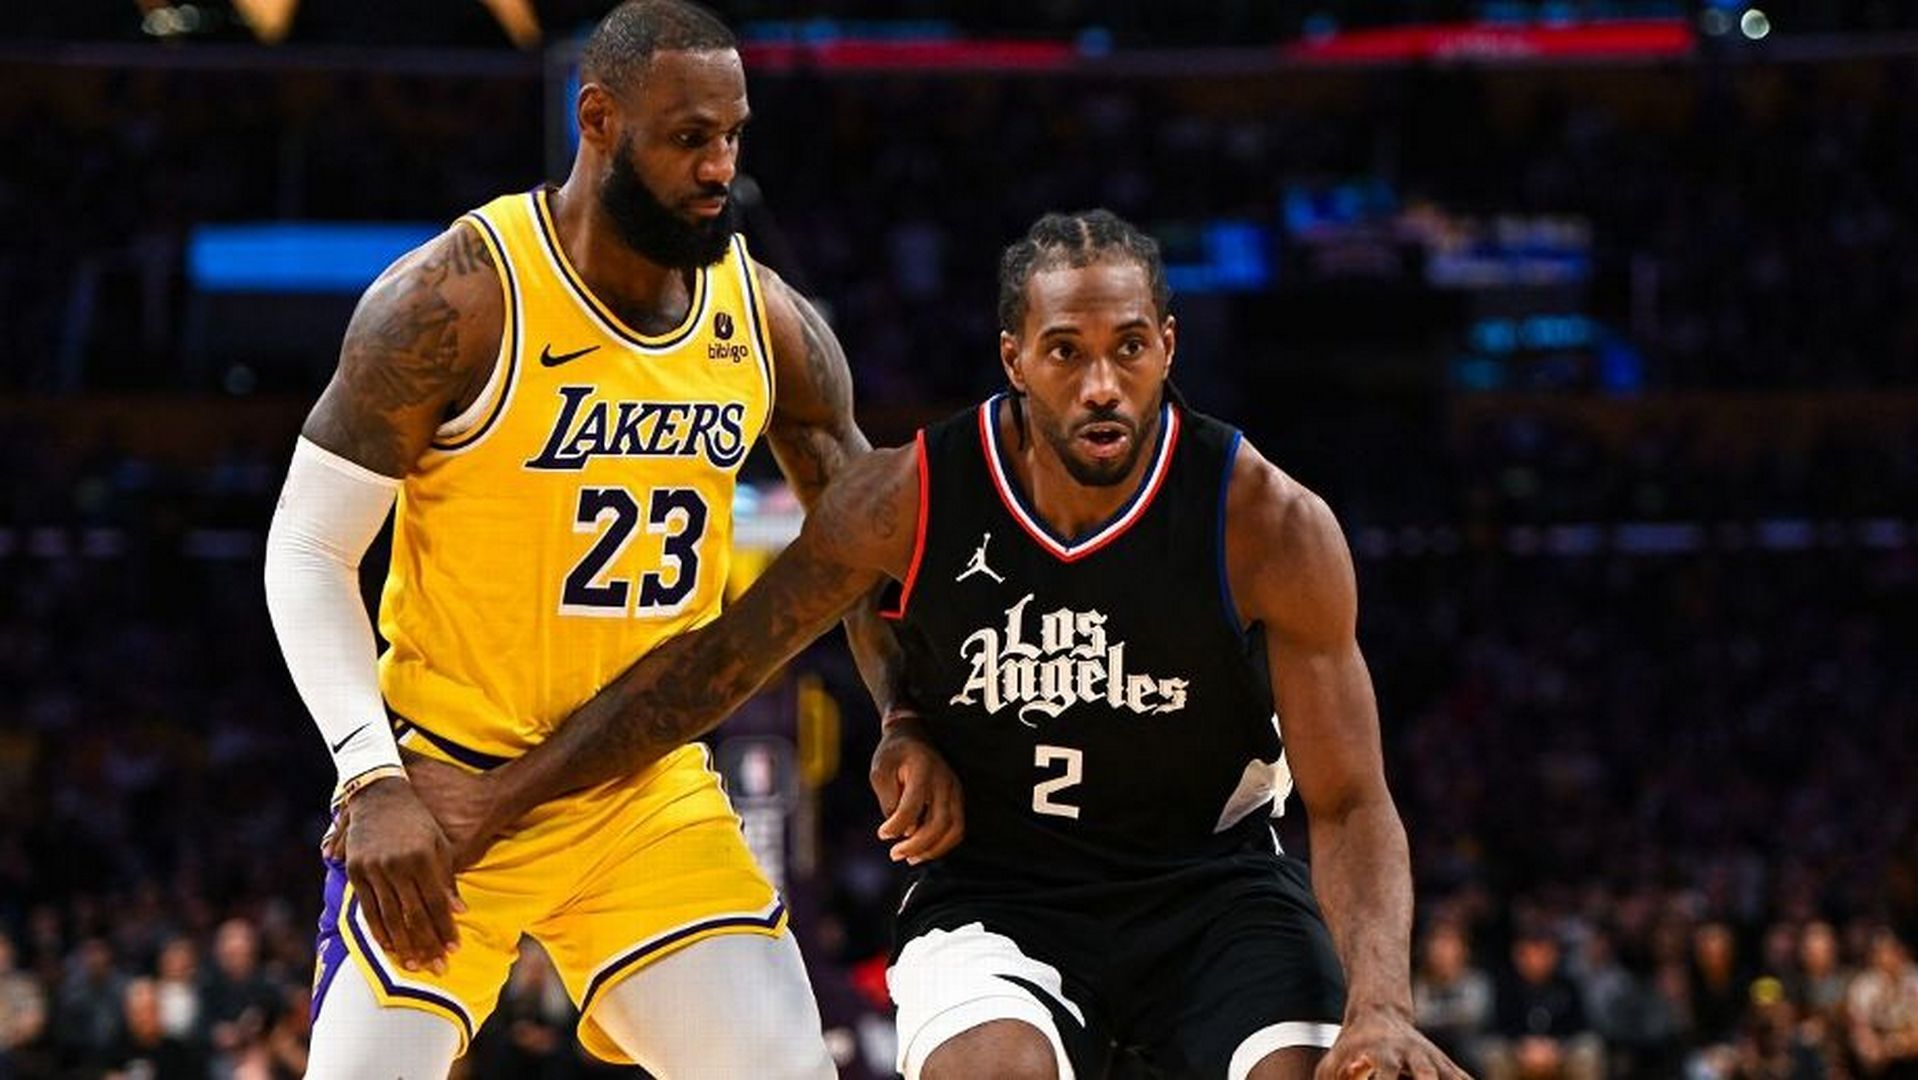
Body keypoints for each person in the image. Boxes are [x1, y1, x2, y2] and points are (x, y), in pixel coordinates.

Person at [401, 208, 1464, 1079]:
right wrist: (500, 795)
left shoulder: (1266, 523)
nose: (1102, 384)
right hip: (999, 895)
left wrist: (1380, 1006)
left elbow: (1349, 801)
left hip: (1216, 893)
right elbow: (715, 667)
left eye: (1129, 349)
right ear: (1015, 360)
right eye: (1067, 351)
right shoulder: (909, 498)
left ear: (1167, 348)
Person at [263, 2, 953, 1076]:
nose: (719, 167)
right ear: (598, 121)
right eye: (689, 138)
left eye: (733, 135)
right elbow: (308, 550)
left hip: (641, 797)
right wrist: (369, 775)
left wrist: (902, 711)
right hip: (448, 791)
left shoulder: (766, 322)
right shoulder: (458, 299)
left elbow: (862, 544)